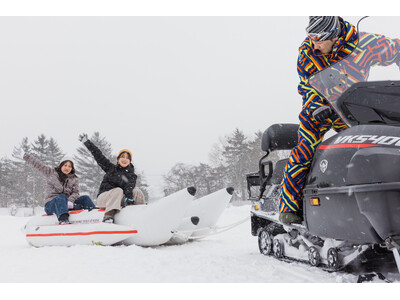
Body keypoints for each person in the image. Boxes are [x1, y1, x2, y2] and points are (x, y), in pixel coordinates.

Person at [279, 16, 400, 224]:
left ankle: (373, 196)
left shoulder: (364, 45)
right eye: (311, 37)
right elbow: (306, 85)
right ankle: (289, 207)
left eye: (319, 39)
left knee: (368, 144)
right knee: (305, 150)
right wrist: (317, 105)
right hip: (319, 109)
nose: (314, 44)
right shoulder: (307, 51)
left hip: (352, 106)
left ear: (334, 36)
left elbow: (396, 48)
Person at [78, 133, 145, 223]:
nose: (124, 159)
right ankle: (108, 215)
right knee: (118, 190)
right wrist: (87, 143)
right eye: (122, 157)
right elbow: (98, 155)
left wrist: (129, 197)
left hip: (119, 198)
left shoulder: (131, 175)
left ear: (130, 161)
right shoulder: (111, 168)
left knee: (137, 192)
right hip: (104, 198)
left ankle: (142, 215)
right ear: (118, 159)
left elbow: (130, 186)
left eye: (127, 158)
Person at [18, 150, 95, 224]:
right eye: (65, 165)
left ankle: (95, 216)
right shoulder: (51, 173)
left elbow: (76, 192)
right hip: (51, 204)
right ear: (61, 165)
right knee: (61, 197)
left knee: (85, 198)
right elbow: (38, 164)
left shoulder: (74, 178)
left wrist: (70, 201)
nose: (67, 168)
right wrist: (25, 156)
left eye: (69, 166)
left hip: (67, 203)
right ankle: (63, 219)